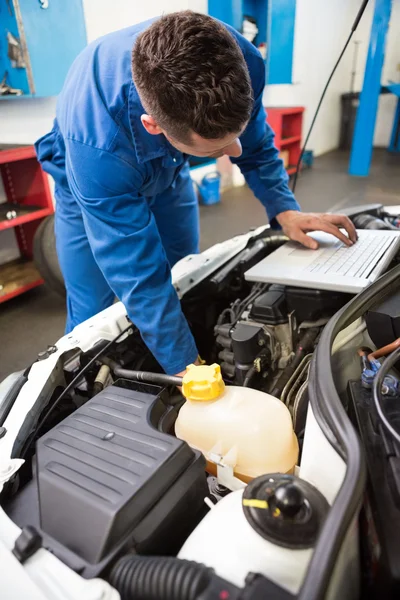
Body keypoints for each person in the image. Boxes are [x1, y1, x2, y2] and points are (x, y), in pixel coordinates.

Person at [36, 11, 357, 377]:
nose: (235, 152)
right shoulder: (96, 146)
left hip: (170, 174)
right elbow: (138, 274)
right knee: (92, 315)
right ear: (153, 125)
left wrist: (285, 210)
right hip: (89, 188)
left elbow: (254, 145)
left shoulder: (240, 59)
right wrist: (188, 369)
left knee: (187, 276)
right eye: (214, 151)